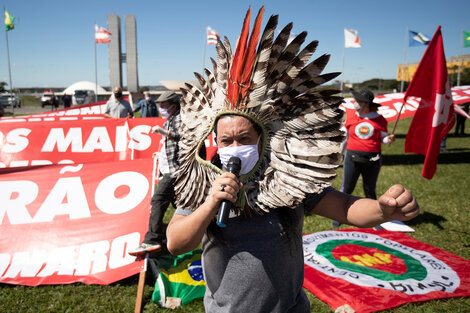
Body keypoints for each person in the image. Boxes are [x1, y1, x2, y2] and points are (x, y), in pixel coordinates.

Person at [164, 7, 419, 313]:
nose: (234, 147)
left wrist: (382, 209)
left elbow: (343, 208)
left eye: (244, 139)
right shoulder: (205, 181)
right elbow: (176, 243)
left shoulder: (285, 175)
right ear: (215, 141)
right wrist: (209, 204)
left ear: (262, 138)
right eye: (226, 141)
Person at [128, 91, 181, 256]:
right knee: (180, 206)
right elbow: (170, 147)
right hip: (170, 169)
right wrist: (161, 157)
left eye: (163, 106)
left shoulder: (180, 119)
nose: (161, 109)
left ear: (173, 105)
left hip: (175, 171)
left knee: (158, 200)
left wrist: (166, 133)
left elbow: (186, 138)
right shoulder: (169, 120)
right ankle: (177, 238)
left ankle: (152, 240)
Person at [340, 89, 395, 200]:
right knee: (346, 188)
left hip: (373, 159)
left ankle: (372, 215)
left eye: (358, 101)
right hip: (352, 157)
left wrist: (388, 139)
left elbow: (383, 138)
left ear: (366, 104)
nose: (355, 104)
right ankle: (338, 215)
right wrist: (340, 153)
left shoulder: (379, 119)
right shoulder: (350, 116)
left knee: (370, 190)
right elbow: (344, 137)